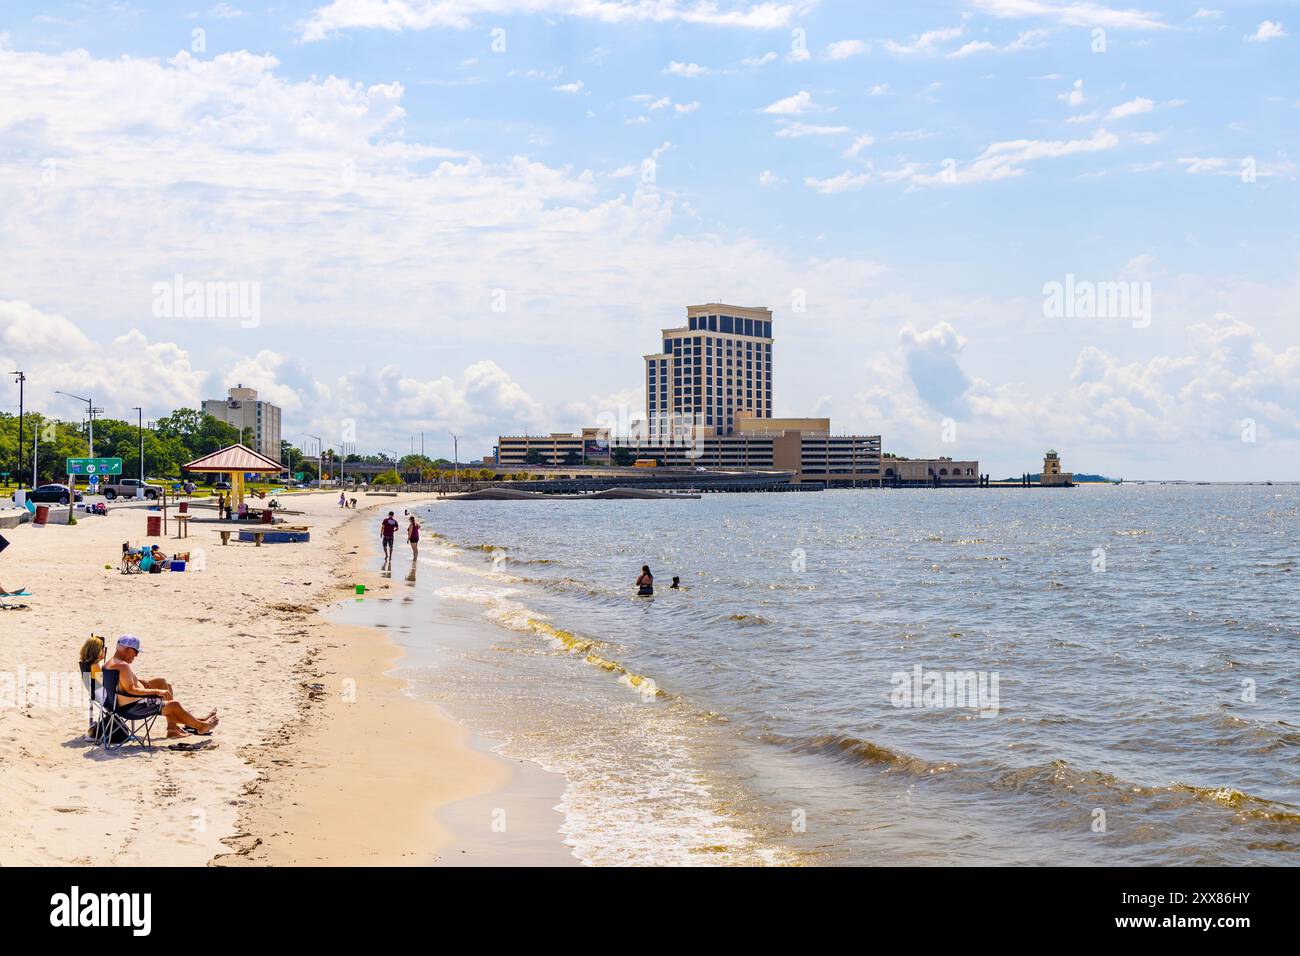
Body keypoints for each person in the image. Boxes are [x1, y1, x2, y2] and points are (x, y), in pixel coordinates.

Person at [104, 636, 218, 738]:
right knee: (174, 705)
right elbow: (130, 689)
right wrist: (157, 691)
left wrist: (138, 680)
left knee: (162, 682)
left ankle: (173, 728)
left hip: (120, 704)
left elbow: (122, 683)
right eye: (135, 652)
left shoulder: (110, 663)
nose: (136, 655)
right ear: (128, 650)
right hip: (132, 708)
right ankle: (201, 726)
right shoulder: (123, 665)